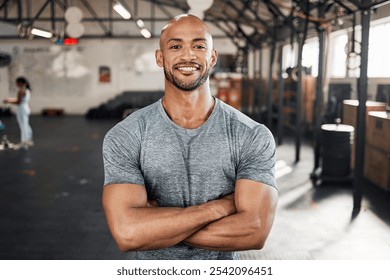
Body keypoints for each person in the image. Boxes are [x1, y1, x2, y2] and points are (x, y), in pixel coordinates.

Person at [102, 14, 278, 260]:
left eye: (198, 46)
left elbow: (254, 232)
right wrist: (220, 207)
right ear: (160, 58)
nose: (187, 56)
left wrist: (155, 227)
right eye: (176, 46)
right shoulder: (126, 136)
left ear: (212, 57)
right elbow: (128, 233)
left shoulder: (251, 135)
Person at [3, 76, 33, 149]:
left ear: (20, 83)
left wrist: (8, 101)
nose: (16, 84)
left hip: (22, 109)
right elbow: (21, 100)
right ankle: (28, 140)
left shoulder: (21, 91)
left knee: (23, 125)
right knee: (26, 125)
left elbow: (18, 102)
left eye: (17, 83)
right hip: (26, 108)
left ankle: (24, 142)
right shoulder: (27, 90)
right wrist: (11, 99)